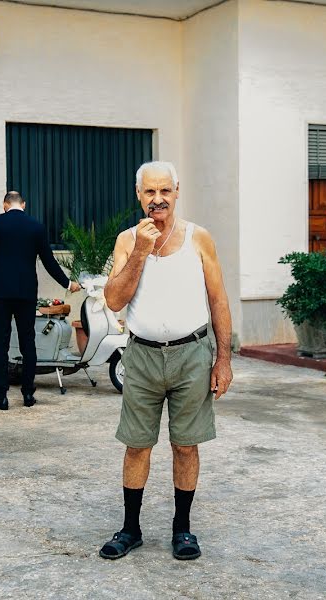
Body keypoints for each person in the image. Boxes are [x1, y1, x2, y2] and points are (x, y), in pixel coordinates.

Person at [97, 161, 233, 562]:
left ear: (176, 191)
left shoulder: (199, 238)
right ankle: (130, 528)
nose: (158, 199)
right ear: (138, 195)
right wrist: (140, 250)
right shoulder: (127, 241)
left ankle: (183, 529)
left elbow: (219, 300)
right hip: (141, 356)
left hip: (192, 355)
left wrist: (222, 360)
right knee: (137, 445)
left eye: (165, 191)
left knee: (186, 446)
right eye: (149, 192)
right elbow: (114, 299)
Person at [0, 191, 80, 411]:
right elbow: (49, 261)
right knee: (27, 343)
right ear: (23, 204)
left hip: (0, 293)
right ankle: (28, 394)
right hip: (26, 293)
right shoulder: (36, 226)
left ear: (5, 205)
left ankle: (1, 398)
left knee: (1, 345)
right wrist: (68, 284)